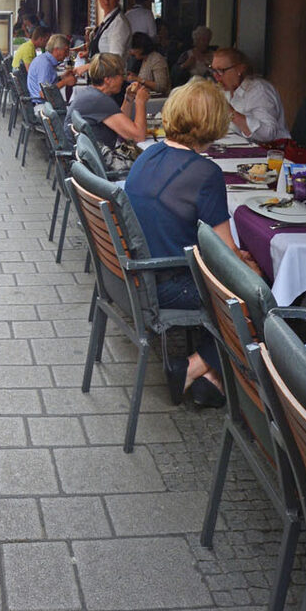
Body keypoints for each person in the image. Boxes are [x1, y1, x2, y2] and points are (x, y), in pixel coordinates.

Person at [123, 77, 258, 407]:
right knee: (256, 294)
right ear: (214, 122)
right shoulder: (205, 173)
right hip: (169, 282)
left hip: (140, 274)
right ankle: (195, 366)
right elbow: (226, 255)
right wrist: (251, 267)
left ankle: (212, 381)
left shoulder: (149, 153)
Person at [66, 53, 148, 175]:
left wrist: (129, 98)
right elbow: (138, 136)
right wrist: (140, 102)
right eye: (121, 75)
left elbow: (121, 124)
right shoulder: (100, 101)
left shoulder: (91, 94)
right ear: (108, 79)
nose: (124, 79)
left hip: (83, 164)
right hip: (98, 170)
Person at [209, 47, 288, 143]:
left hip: (268, 149)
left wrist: (231, 113)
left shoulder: (259, 91)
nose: (216, 76)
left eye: (221, 71)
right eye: (213, 70)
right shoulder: (227, 90)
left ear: (239, 69)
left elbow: (268, 134)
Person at [82, 0, 131, 65]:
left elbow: (114, 59)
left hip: (111, 73)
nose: (106, 0)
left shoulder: (119, 24)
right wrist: (89, 54)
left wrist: (87, 66)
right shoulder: (107, 20)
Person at [27, 34, 76, 104]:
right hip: (42, 105)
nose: (67, 54)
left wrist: (62, 77)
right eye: (66, 50)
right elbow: (43, 93)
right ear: (56, 50)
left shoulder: (44, 59)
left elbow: (48, 82)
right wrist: (64, 82)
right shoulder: (45, 64)